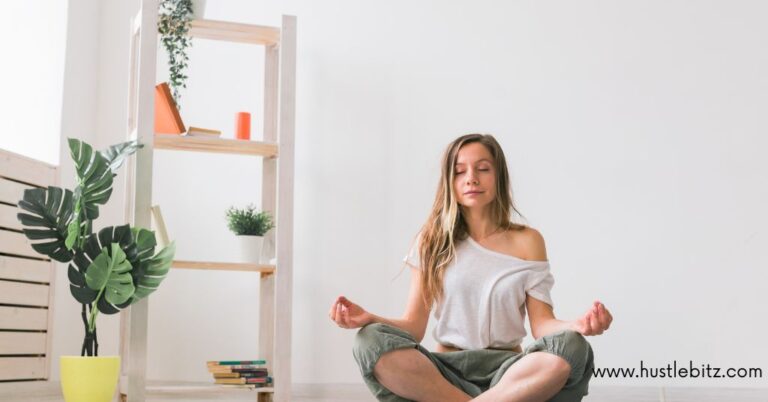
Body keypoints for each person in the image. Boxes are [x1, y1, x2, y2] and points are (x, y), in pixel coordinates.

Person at [329, 134, 613, 402]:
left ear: (498, 176)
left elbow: (542, 326)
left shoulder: (528, 241)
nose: (471, 179)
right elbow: (413, 328)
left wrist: (577, 325)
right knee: (368, 340)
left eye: (483, 169)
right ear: (449, 181)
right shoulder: (431, 240)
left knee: (573, 347)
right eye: (459, 171)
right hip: (443, 374)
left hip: (511, 373)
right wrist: (368, 318)